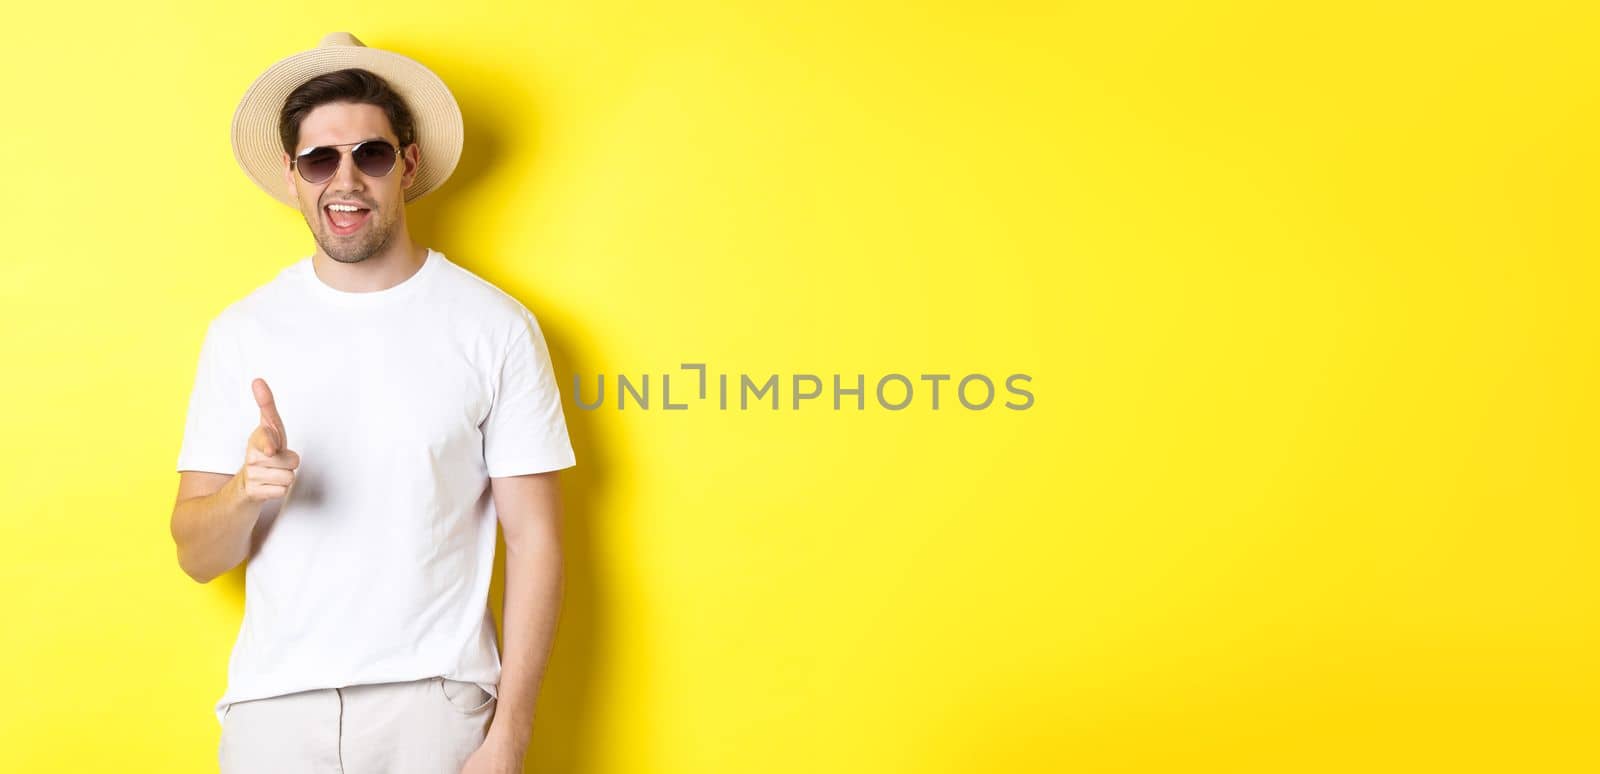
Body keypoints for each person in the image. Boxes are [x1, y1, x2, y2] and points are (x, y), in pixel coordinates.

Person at [169, 32, 575, 774]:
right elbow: (197, 557)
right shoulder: (243, 331)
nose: (345, 180)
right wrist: (242, 494)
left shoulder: (495, 326)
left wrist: (509, 738)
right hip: (276, 714)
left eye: (371, 154)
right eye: (321, 159)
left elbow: (537, 542)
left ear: (407, 164)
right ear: (293, 175)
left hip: (436, 709)